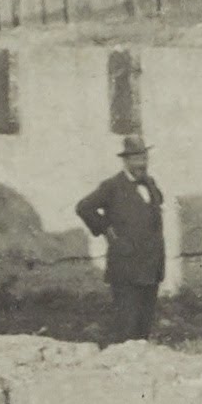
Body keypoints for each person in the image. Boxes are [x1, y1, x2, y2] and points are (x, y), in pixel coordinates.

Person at [80, 136, 170, 344]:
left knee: (144, 324)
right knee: (127, 325)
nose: (141, 164)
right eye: (136, 159)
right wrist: (109, 233)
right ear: (126, 161)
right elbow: (84, 207)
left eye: (144, 158)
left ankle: (140, 367)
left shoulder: (150, 183)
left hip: (151, 265)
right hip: (126, 264)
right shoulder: (112, 186)